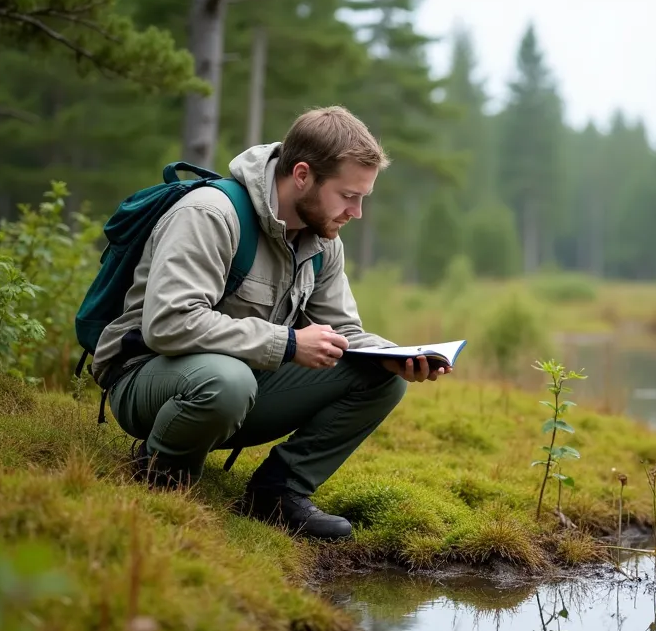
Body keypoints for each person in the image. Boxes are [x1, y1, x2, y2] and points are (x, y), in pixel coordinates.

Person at [88, 106, 450, 539]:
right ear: (302, 175)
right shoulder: (211, 214)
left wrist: (395, 356)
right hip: (148, 381)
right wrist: (290, 343)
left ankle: (277, 494)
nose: (356, 212)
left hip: (238, 385)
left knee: (380, 378)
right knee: (228, 381)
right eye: (348, 195)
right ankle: (162, 476)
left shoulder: (321, 241)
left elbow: (344, 333)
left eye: (363, 198)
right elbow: (168, 324)